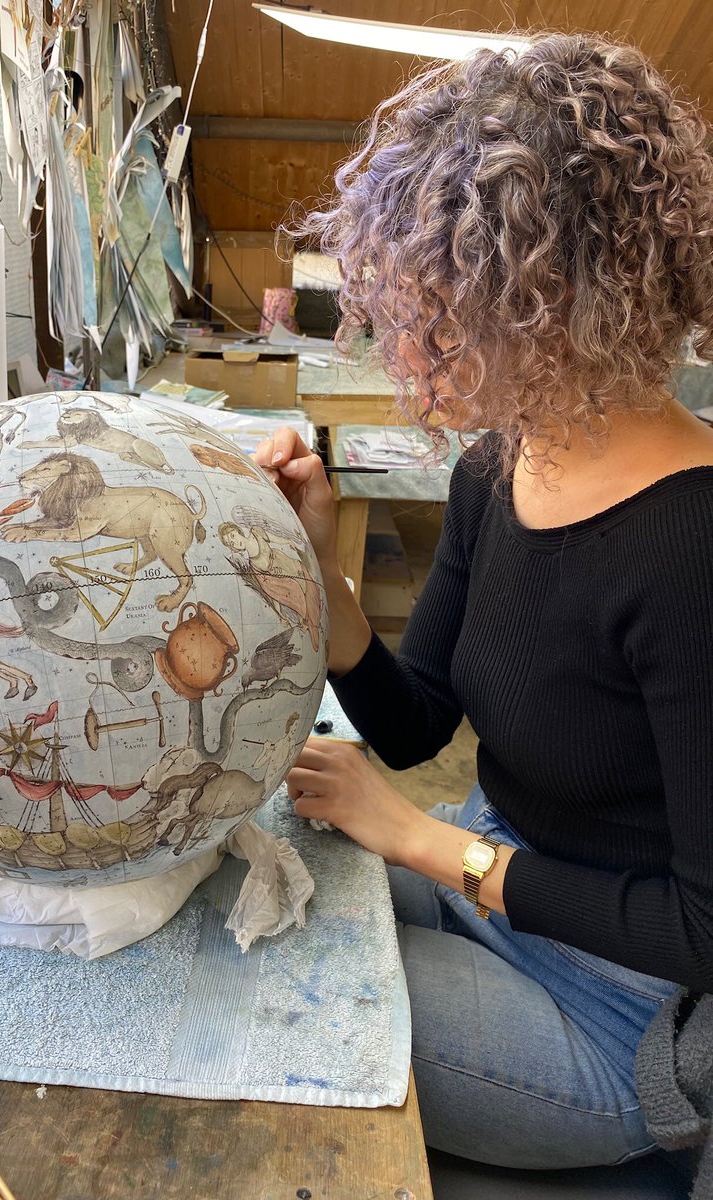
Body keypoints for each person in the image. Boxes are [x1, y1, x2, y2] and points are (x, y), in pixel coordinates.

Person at [253, 32, 713, 1173]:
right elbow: (416, 725)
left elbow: (702, 929)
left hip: (625, 1006)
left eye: (437, 308)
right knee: (254, 891)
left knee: (271, 991)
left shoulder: (691, 549)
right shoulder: (495, 472)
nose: (405, 348)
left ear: (551, 303)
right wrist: (320, 567)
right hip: (497, 873)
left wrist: (419, 840)